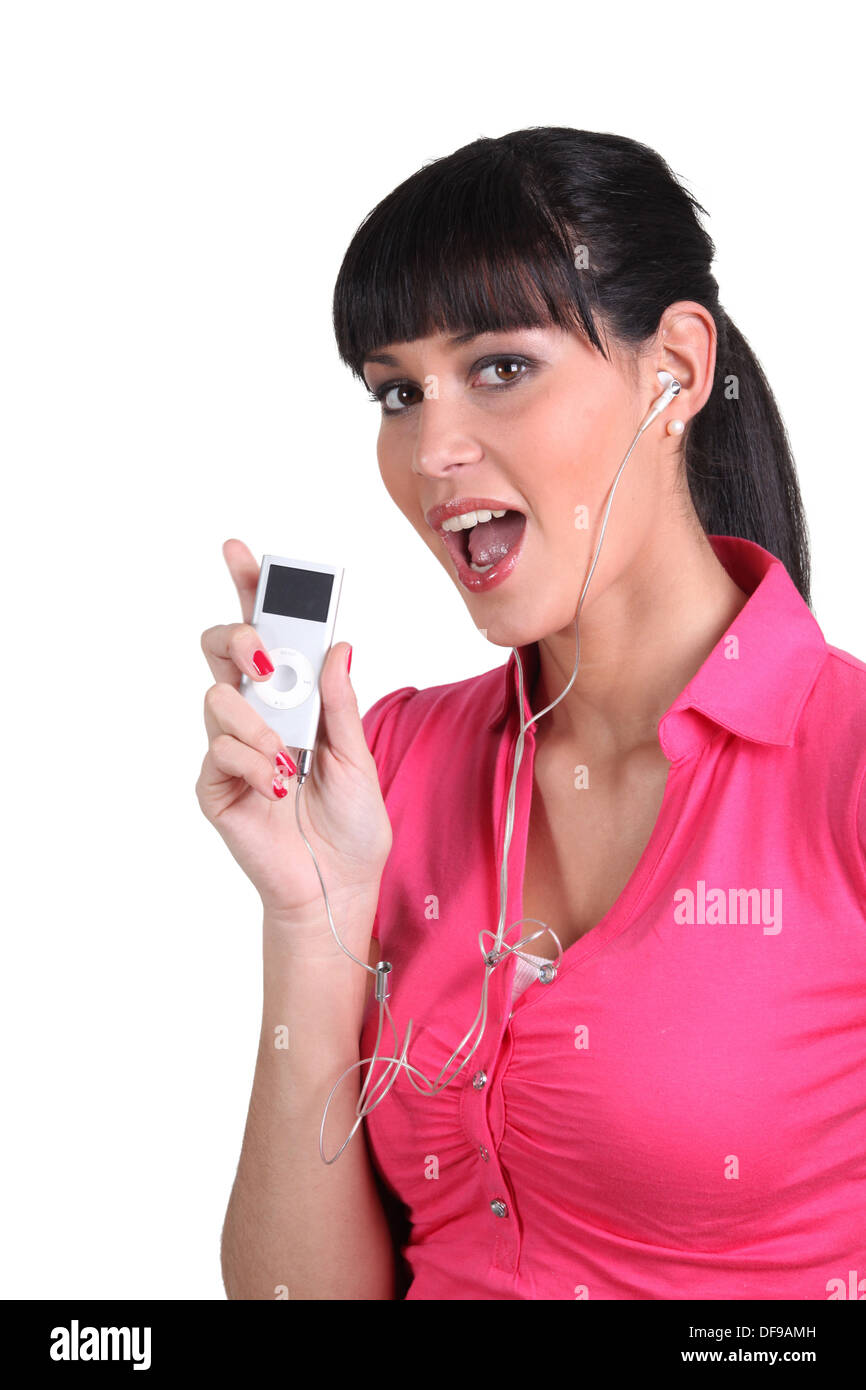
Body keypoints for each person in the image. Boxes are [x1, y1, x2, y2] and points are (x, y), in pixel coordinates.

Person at [198, 127, 866, 1300]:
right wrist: (314, 920)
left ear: (675, 369)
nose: (432, 449)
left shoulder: (843, 768)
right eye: (396, 392)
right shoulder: (386, 769)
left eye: (499, 366)